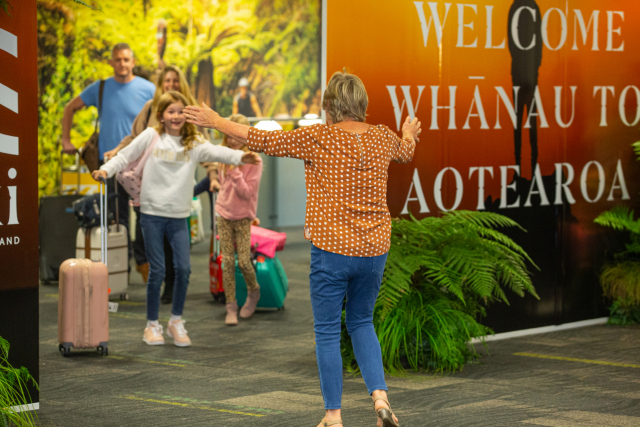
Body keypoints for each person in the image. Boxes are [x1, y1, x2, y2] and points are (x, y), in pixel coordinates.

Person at [185, 70, 421, 427]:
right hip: (374, 250)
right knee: (361, 321)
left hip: (333, 251)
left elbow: (260, 140)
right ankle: (380, 399)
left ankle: (333, 415)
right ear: (362, 104)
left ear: (330, 107)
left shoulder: (318, 137)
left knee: (327, 330)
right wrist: (407, 131)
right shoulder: (383, 137)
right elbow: (406, 151)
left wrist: (217, 121)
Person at [92, 91, 260, 347]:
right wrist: (106, 170)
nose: (176, 116)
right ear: (161, 115)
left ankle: (175, 321)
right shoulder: (151, 136)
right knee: (157, 270)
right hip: (151, 214)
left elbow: (218, 152)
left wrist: (241, 157)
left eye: (181, 111)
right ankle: (151, 325)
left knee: (183, 268)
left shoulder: (192, 143)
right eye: (171, 111)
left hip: (179, 216)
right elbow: (125, 156)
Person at [103, 65, 208, 304]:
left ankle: (170, 283)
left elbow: (204, 143)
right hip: (147, 184)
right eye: (167, 81)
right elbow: (134, 137)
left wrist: (213, 173)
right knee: (149, 232)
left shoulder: (190, 110)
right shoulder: (150, 108)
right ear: (161, 84)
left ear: (181, 84)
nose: (171, 85)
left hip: (177, 185)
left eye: (175, 81)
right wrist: (118, 151)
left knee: (174, 238)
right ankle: (154, 274)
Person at [62, 43, 156, 263]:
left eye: (126, 59)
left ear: (132, 62)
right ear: (111, 62)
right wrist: (66, 139)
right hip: (111, 162)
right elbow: (70, 108)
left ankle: (144, 262)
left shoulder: (149, 89)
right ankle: (121, 267)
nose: (122, 64)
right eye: (118, 59)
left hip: (141, 162)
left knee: (145, 215)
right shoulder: (101, 88)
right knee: (117, 216)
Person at [207, 114, 263, 326]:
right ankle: (230, 306)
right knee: (227, 262)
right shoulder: (224, 156)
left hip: (242, 218)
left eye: (236, 134)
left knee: (245, 262)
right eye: (228, 136)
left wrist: (236, 171)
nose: (232, 140)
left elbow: (247, 193)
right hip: (223, 213)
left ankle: (254, 291)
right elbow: (224, 185)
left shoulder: (255, 160)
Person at [508, 0, 542, 175]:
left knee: (522, 120)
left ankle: (523, 164)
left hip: (523, 74)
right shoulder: (530, 7)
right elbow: (538, 44)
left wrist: (531, 68)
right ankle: (522, 164)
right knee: (524, 120)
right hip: (525, 74)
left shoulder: (517, 7)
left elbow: (513, 45)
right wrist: (533, 68)